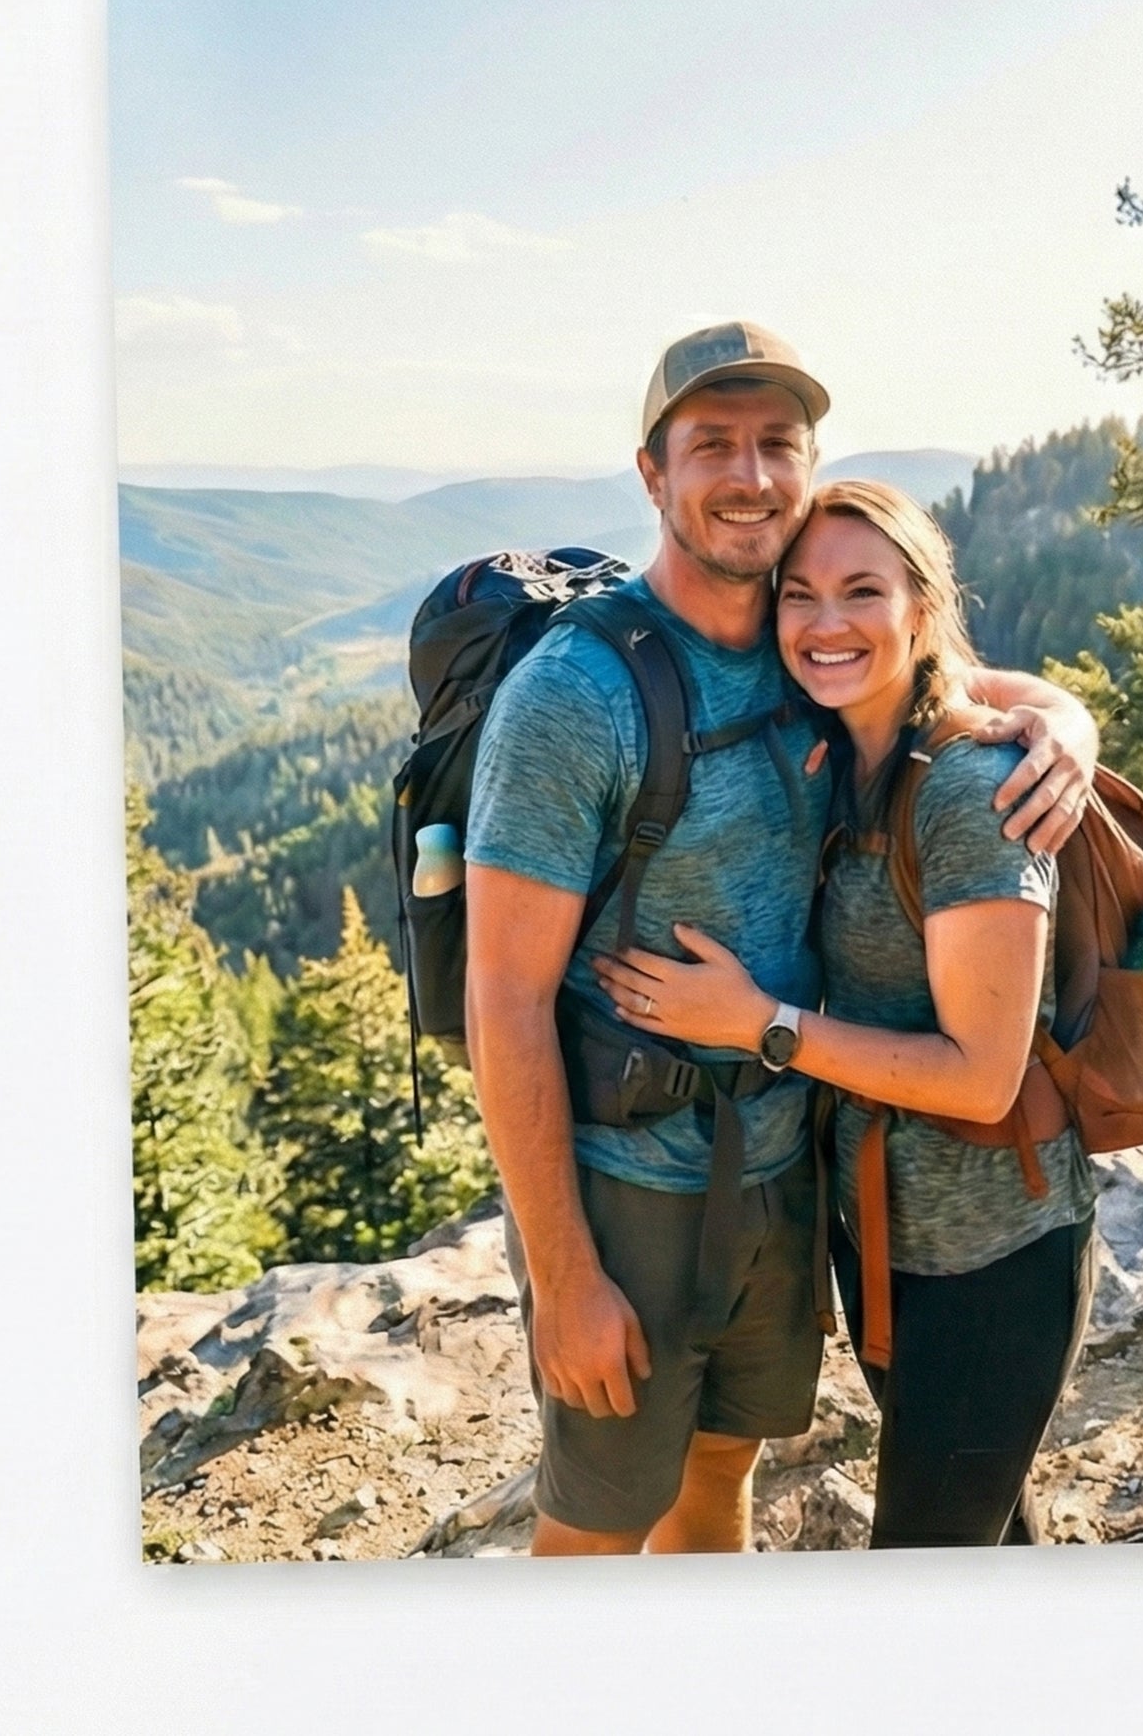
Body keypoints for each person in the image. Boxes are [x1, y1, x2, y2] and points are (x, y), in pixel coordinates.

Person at [462, 322, 1099, 1556]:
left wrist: (1062, 718)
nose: (748, 475)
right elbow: (503, 993)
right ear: (652, 473)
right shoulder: (575, 694)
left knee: (718, 1475)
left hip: (780, 1175)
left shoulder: (793, 641)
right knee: (597, 1527)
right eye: (712, 444)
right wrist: (566, 1274)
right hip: (629, 1189)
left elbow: (938, 675)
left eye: (776, 443)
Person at [593, 477, 1099, 1549]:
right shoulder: (845, 748)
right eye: (801, 594)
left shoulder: (971, 790)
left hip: (993, 1257)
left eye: (863, 591)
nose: (827, 623)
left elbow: (981, 1078)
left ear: (921, 608)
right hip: (886, 1242)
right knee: (985, 1537)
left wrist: (759, 1022)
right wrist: (1069, 711)